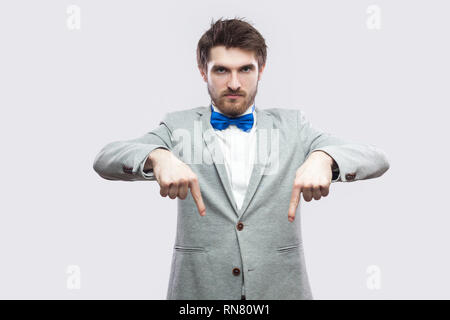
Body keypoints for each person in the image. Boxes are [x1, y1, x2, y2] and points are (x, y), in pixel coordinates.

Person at [93, 17, 390, 300]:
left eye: (245, 69)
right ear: (202, 70)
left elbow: (376, 158)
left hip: (279, 289)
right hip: (199, 294)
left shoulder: (293, 126)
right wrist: (157, 156)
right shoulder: (178, 126)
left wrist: (324, 157)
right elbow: (106, 158)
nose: (234, 83)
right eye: (221, 70)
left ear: (261, 69)